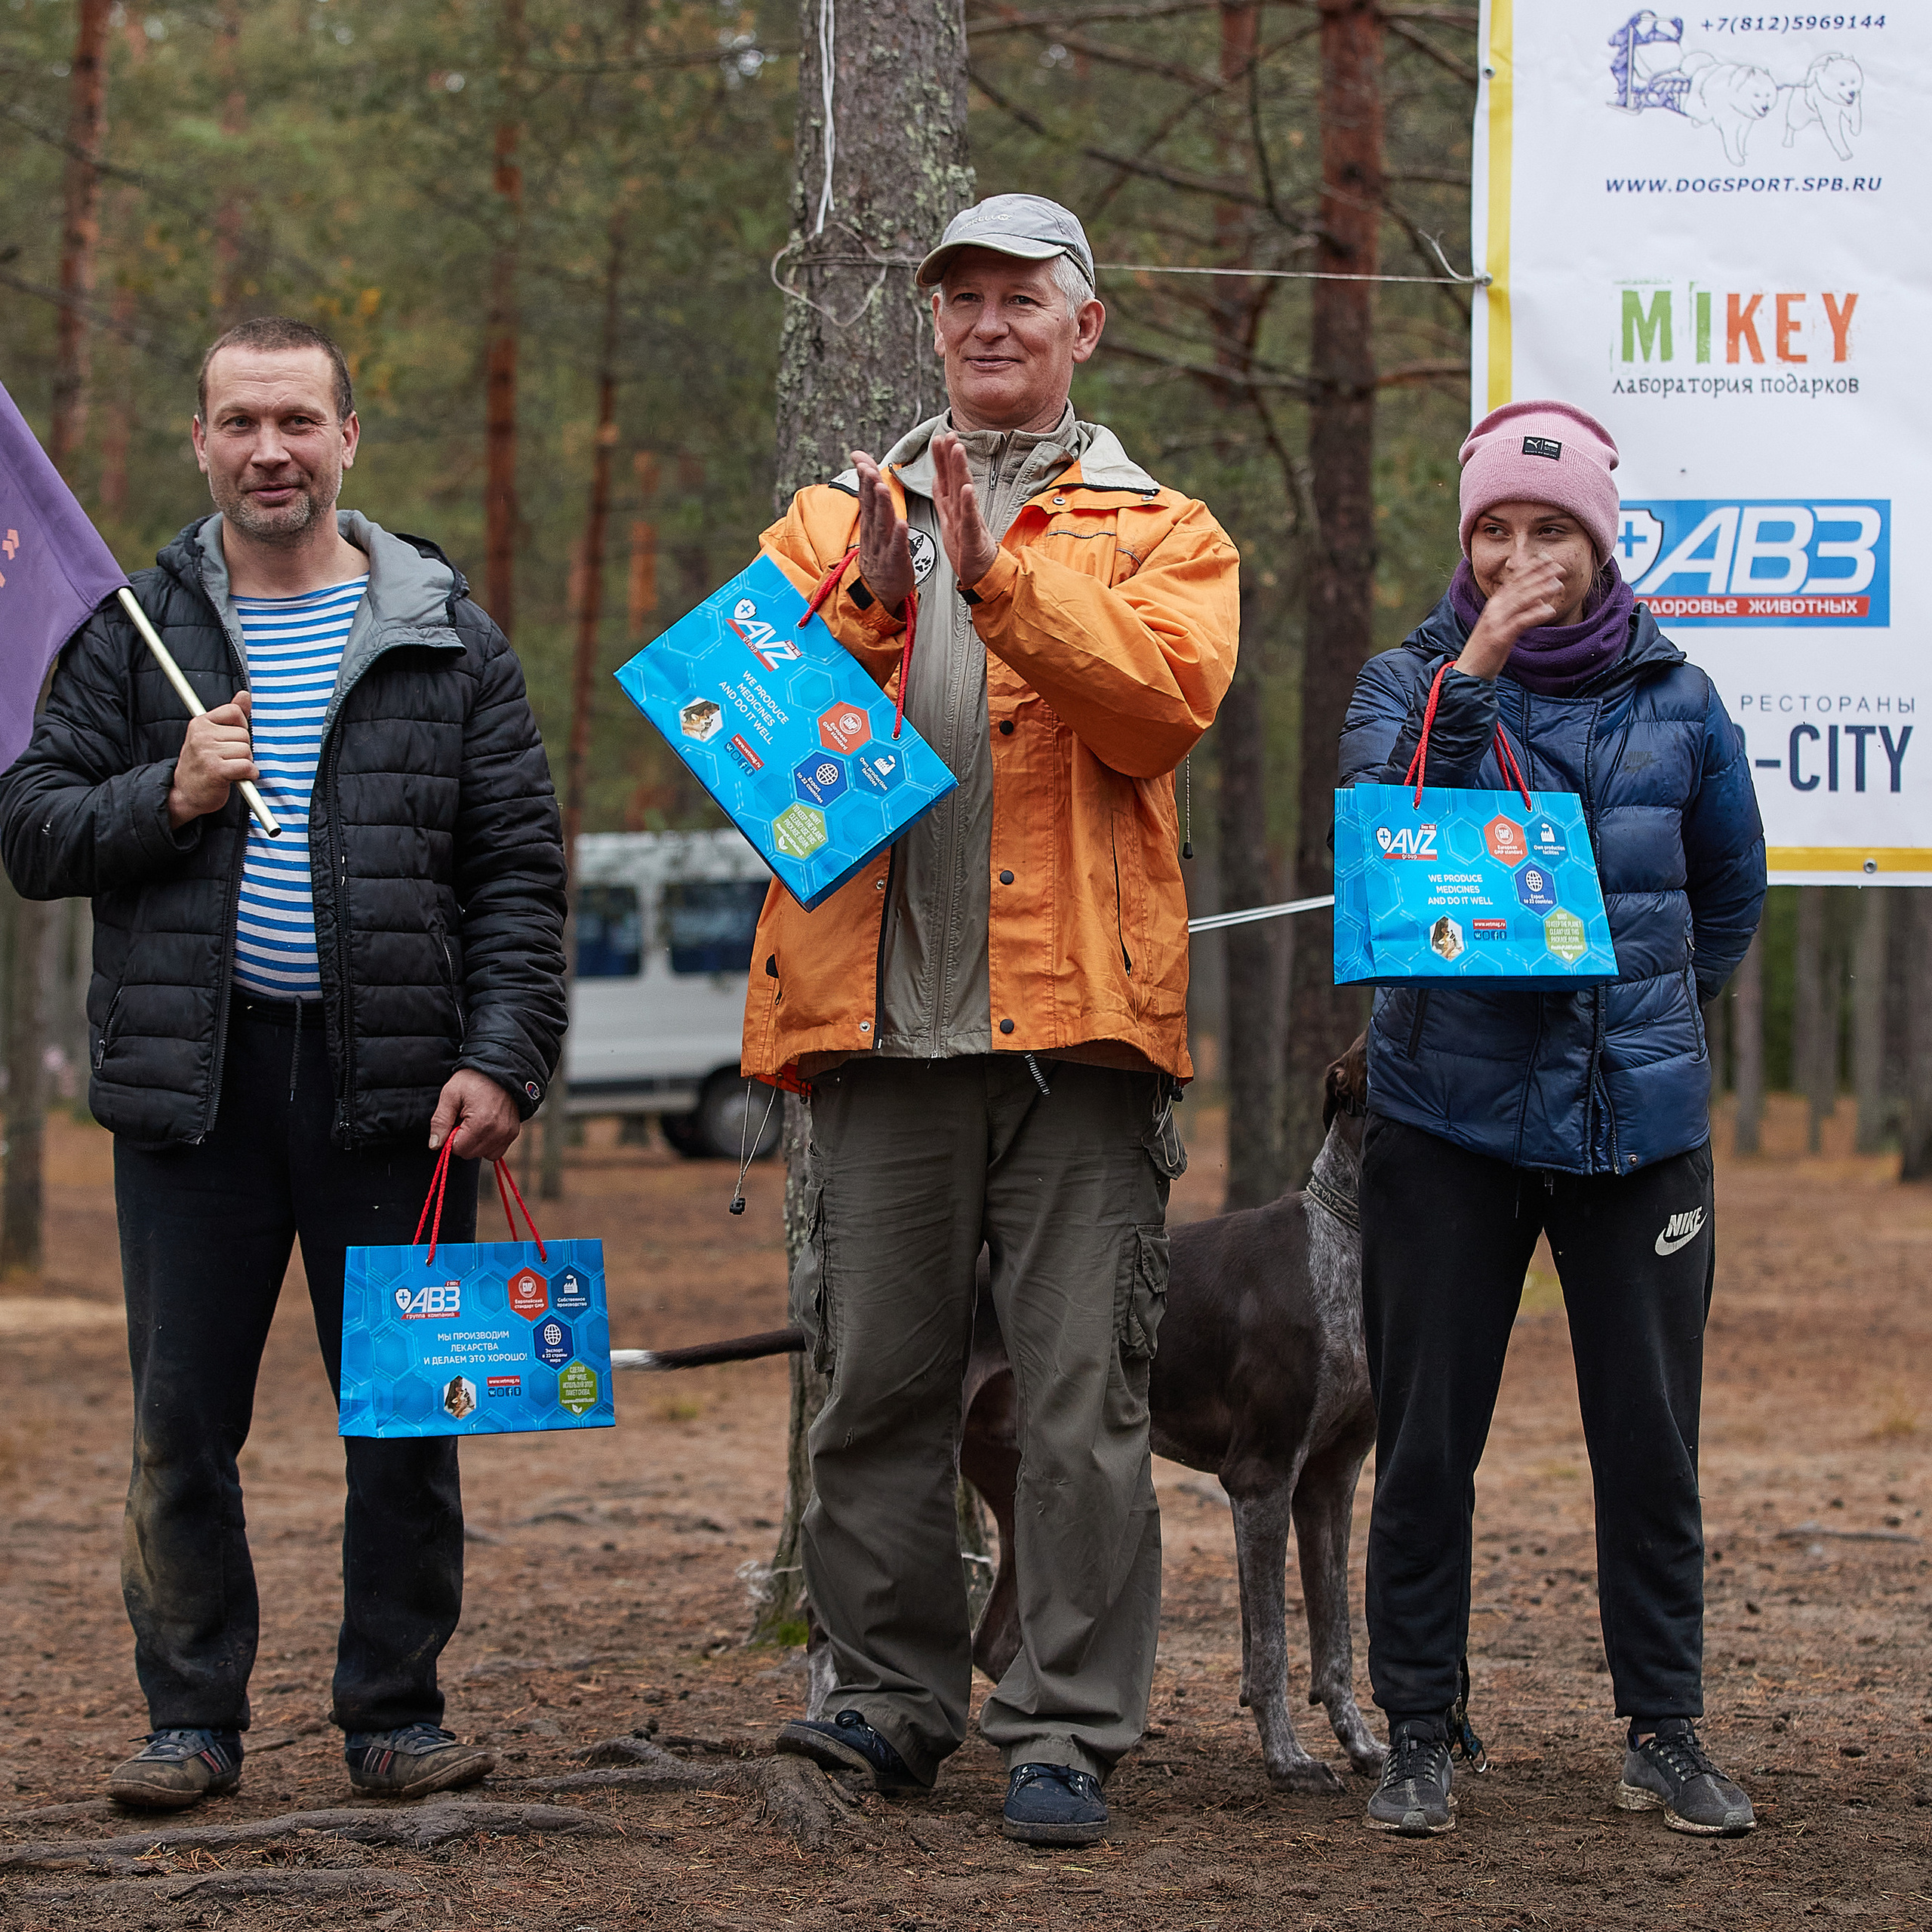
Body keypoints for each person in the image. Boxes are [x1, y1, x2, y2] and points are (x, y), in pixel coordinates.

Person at [0, 317, 568, 1809]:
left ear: (347, 440)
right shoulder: (129, 634)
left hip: (396, 1092)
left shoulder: (444, 631)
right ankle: (190, 1716)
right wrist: (165, 790)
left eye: (298, 421)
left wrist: (505, 1058)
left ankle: (394, 1709)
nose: (271, 448)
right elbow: (36, 830)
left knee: (402, 1414)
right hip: (192, 1090)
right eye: (241, 421)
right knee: (181, 1419)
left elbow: (517, 873)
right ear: (200, 441)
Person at [746, 195, 1239, 1846]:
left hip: (1079, 1040)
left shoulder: (1165, 528)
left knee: (1076, 1399)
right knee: (873, 1385)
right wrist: (876, 606)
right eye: (958, 298)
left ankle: (1065, 1722)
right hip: (879, 1034)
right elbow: (768, 774)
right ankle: (886, 1699)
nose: (985, 323)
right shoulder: (824, 520)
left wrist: (991, 580)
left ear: (1083, 325)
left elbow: (1158, 711)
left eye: (1019, 297)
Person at [1338, 401, 1767, 1838]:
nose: (1526, 554)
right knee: (1427, 1438)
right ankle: (1419, 1728)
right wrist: (1481, 664)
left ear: (1603, 538)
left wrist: (1639, 1013)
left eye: (1553, 530)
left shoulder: (1681, 698)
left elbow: (1728, 895)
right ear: (1466, 544)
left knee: (1649, 1442)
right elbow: (1391, 831)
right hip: (1443, 1119)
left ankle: (1665, 1726)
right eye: (1497, 531)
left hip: (1636, 1132)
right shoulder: (1410, 680)